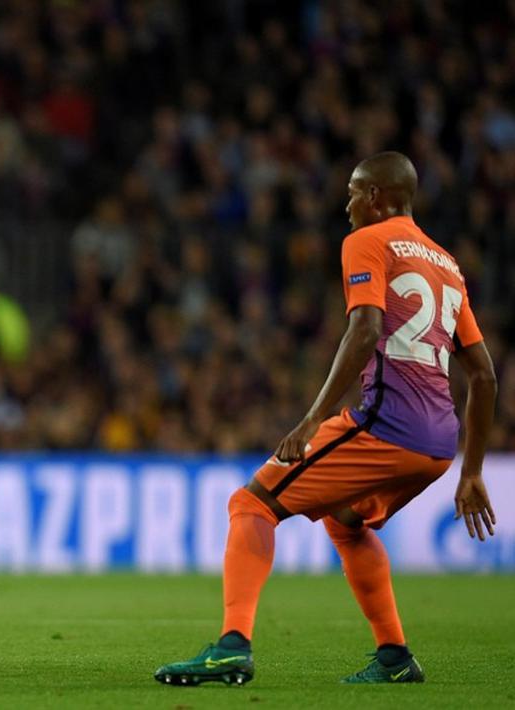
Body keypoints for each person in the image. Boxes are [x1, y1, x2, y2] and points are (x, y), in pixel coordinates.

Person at [155, 151, 498, 686]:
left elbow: (364, 330)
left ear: (378, 197)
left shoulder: (367, 241)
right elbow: (484, 376)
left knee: (252, 502)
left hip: (387, 425)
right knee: (345, 520)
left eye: (354, 192)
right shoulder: (445, 263)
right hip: (437, 446)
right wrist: (471, 471)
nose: (347, 204)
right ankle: (394, 657)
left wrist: (313, 419)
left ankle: (231, 646)